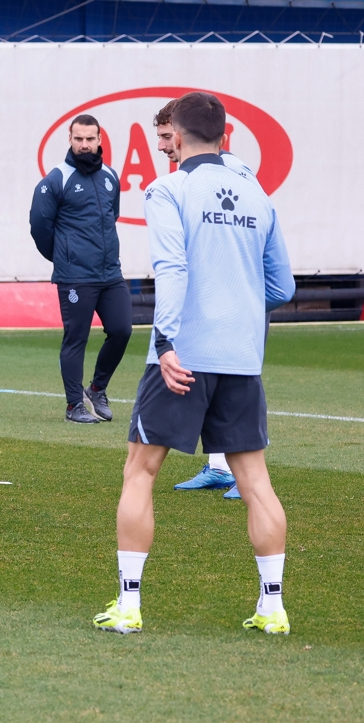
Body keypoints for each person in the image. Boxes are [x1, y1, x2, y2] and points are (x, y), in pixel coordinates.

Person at [91, 91, 295, 636]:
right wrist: (237, 308)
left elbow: (172, 267)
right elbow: (282, 286)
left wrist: (165, 343)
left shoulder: (169, 189)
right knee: (256, 481)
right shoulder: (258, 195)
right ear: (226, 137)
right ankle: (273, 608)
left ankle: (129, 605)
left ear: (176, 138)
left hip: (182, 355)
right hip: (241, 357)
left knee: (140, 472)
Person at [154, 99, 262, 499]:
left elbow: (175, 265)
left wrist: (163, 337)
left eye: (168, 136)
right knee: (218, 397)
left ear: (184, 133)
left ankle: (238, 475)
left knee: (141, 464)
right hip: (222, 315)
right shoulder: (188, 179)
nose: (163, 145)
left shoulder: (228, 176)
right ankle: (219, 468)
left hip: (221, 316)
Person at [29, 114, 132, 424]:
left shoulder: (110, 176)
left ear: (99, 140)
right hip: (75, 276)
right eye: (79, 139)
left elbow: (112, 217)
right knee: (77, 338)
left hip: (110, 273)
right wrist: (65, 258)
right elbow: (39, 227)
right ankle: (74, 405)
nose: (84, 144)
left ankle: (97, 389)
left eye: (90, 139)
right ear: (70, 140)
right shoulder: (56, 180)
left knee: (122, 330)